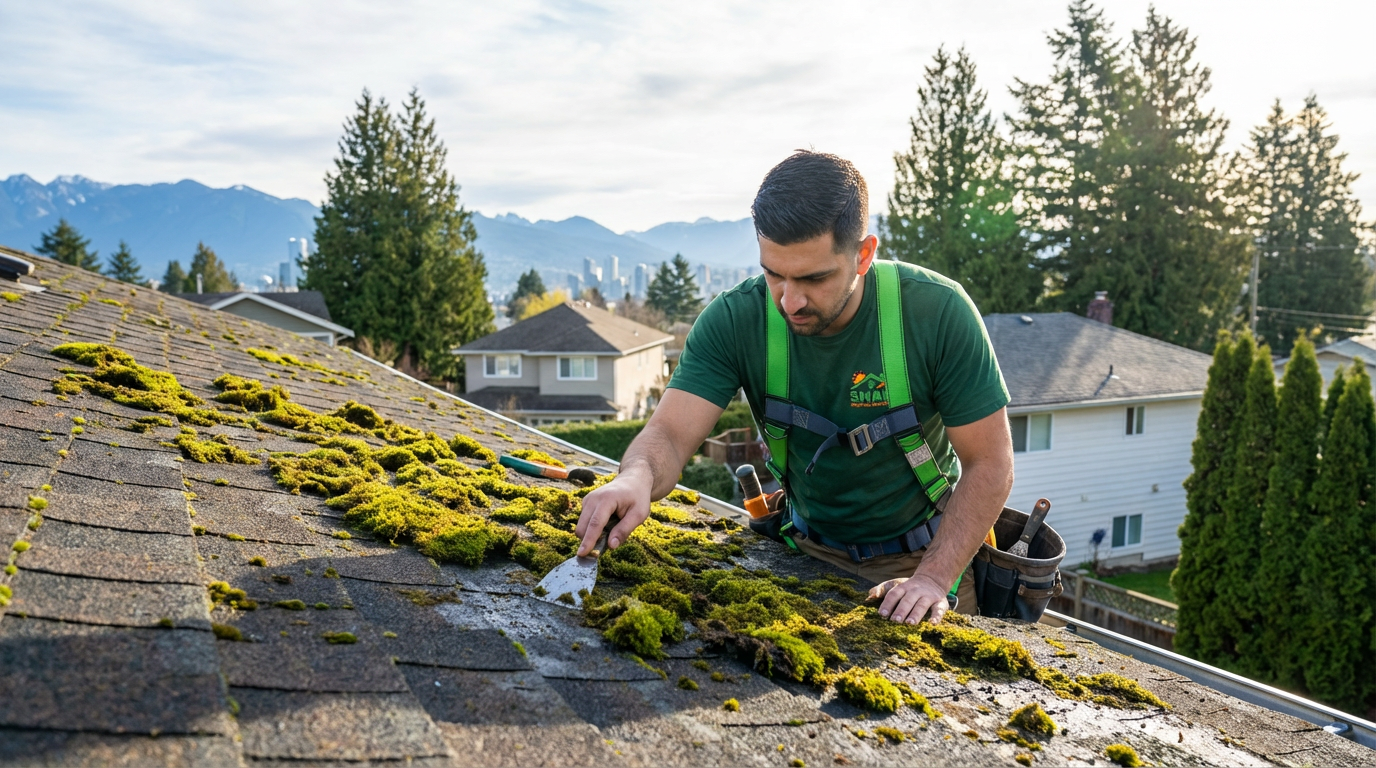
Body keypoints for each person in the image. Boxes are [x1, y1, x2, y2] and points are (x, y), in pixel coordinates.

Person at [575, 151, 1013, 626]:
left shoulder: (937, 313)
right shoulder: (736, 320)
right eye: (774, 274)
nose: (790, 301)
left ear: (863, 255)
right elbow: (670, 435)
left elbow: (991, 464)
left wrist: (933, 578)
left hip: (924, 562)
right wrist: (635, 477)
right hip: (801, 554)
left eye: (814, 278)